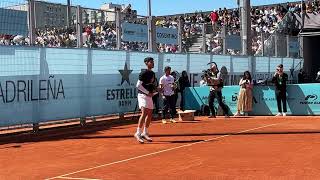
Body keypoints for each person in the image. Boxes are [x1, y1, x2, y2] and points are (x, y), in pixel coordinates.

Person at [134, 57, 157, 143]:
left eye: (153, 62)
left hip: (149, 96)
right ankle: (138, 133)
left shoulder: (153, 73)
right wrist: (147, 92)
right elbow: (138, 85)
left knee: (150, 114)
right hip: (142, 95)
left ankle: (145, 132)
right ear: (146, 63)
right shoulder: (143, 73)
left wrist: (158, 90)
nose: (153, 63)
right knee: (144, 113)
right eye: (151, 62)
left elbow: (151, 85)